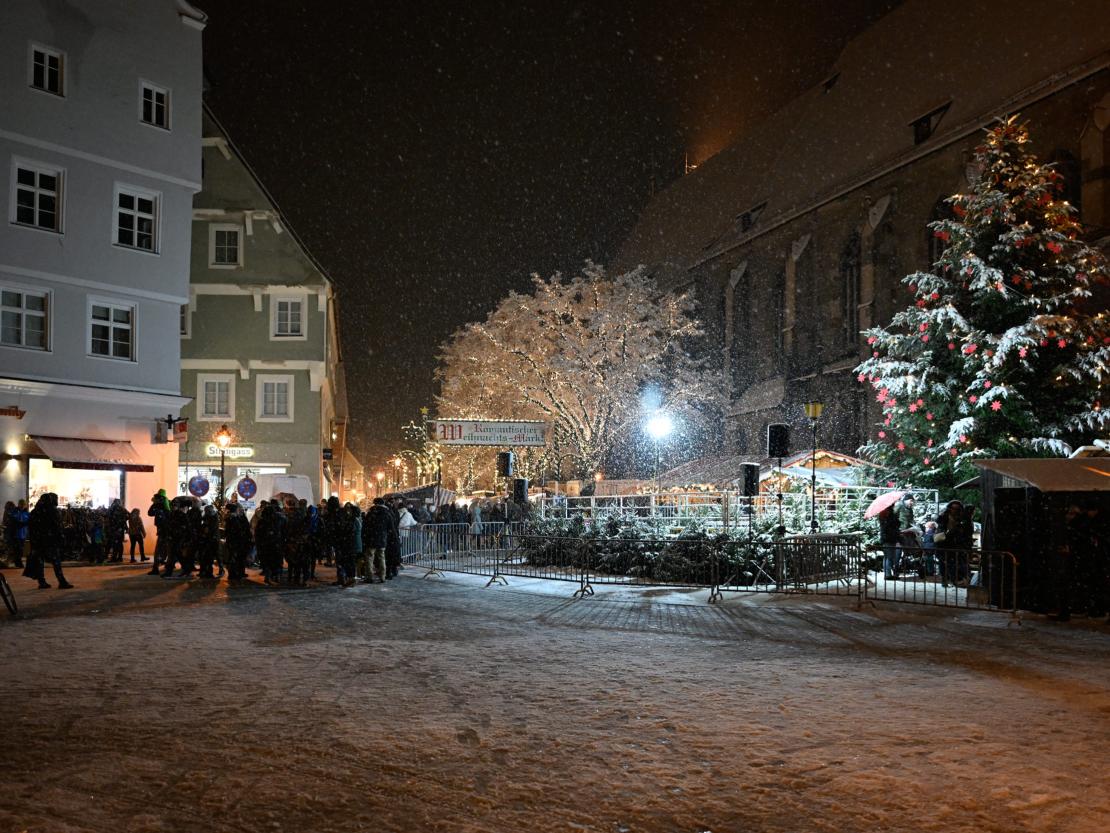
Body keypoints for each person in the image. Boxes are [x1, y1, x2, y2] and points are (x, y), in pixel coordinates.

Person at [23, 493, 73, 589]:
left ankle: (42, 582)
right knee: (56, 561)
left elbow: (31, 527)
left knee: (40, 561)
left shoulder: (35, 512)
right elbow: (57, 527)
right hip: (50, 541)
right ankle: (61, 581)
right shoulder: (52, 511)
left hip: (38, 541)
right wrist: (61, 537)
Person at [936, 499, 973, 587]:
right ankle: (945, 580)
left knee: (958, 562)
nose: (955, 510)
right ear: (949, 508)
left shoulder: (962, 518)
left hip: (957, 544)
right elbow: (940, 531)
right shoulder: (943, 517)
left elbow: (967, 531)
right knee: (944, 562)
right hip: (945, 543)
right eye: (953, 508)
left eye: (957, 509)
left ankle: (957, 579)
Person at [363, 498, 392, 583]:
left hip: (371, 539)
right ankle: (382, 577)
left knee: (369, 558)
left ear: (375, 503)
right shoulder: (386, 513)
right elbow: (390, 527)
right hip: (382, 538)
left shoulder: (371, 513)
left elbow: (365, 526)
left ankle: (369, 577)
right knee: (382, 558)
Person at [224, 503, 252, 582]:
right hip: (236, 542)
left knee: (237, 558)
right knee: (234, 558)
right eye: (239, 509)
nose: (240, 510)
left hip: (235, 542)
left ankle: (237, 573)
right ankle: (233, 574)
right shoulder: (233, 518)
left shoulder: (232, 518)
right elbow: (238, 531)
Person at [147, 490, 171, 576]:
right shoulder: (166, 505)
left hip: (164, 531)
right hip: (166, 531)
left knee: (160, 550)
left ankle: (157, 568)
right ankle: (167, 567)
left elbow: (150, 513)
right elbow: (150, 513)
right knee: (169, 550)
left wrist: (155, 504)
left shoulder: (162, 505)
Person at [878, 505, 901, 580]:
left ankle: (887, 573)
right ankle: (888, 574)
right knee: (889, 556)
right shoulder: (888, 514)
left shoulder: (883, 514)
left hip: (886, 538)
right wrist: (896, 520)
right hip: (889, 538)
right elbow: (891, 526)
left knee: (887, 556)